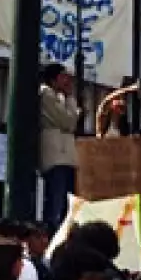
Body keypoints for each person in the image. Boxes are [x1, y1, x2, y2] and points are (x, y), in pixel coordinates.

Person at [38, 63, 81, 233]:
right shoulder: (46, 94)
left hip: (66, 156)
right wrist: (71, 100)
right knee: (55, 203)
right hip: (56, 156)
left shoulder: (59, 98)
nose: (68, 80)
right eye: (63, 76)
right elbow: (68, 121)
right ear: (53, 78)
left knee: (65, 203)